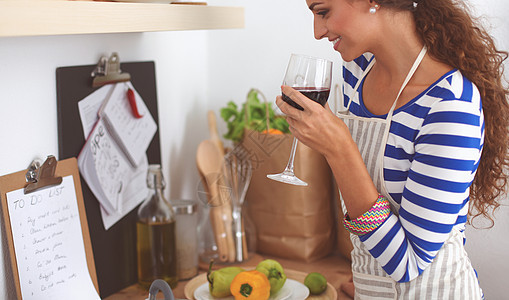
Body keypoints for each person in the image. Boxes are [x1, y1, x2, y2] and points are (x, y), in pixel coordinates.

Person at [276, 0, 509, 299]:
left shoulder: (451, 104)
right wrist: (363, 278)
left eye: (323, 12)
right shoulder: (357, 72)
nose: (317, 32)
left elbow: (409, 263)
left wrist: (339, 149)